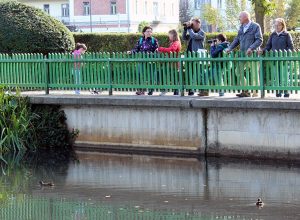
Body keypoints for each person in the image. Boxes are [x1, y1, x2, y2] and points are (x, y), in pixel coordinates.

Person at [226, 11, 263, 98]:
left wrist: (251, 48)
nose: (239, 19)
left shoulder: (255, 26)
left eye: (240, 17)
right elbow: (237, 40)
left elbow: (259, 40)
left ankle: (255, 92)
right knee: (238, 71)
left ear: (245, 17)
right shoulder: (241, 28)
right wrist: (230, 48)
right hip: (242, 55)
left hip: (252, 54)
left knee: (254, 74)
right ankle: (246, 90)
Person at [259, 18, 294, 98]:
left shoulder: (287, 34)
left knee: (284, 76)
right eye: (275, 25)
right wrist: (263, 51)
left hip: (284, 60)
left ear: (282, 25)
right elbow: (268, 46)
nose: (277, 27)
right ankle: (278, 91)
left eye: (278, 25)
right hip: (274, 60)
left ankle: (286, 92)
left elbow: (291, 47)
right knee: (276, 76)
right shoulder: (273, 35)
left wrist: (285, 54)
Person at [128, 26, 159, 95]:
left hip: (151, 61)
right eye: (147, 31)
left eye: (150, 31)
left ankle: (151, 90)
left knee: (151, 76)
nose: (149, 33)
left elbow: (157, 50)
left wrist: (153, 54)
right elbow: (136, 49)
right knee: (140, 75)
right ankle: (141, 90)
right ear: (144, 32)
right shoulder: (140, 40)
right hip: (141, 61)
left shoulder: (154, 40)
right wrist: (131, 52)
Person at [182, 17, 206, 96]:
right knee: (189, 72)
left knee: (199, 73)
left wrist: (189, 28)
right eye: (191, 24)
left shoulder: (202, 33)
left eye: (193, 24)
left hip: (198, 56)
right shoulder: (190, 31)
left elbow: (194, 36)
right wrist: (185, 29)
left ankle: (202, 90)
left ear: (198, 24)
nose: (192, 25)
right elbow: (184, 38)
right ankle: (190, 89)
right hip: (189, 55)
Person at [158, 29, 182, 96]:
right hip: (171, 63)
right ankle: (166, 89)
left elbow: (171, 50)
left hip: (174, 63)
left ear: (173, 35)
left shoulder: (176, 42)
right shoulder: (172, 43)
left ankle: (175, 90)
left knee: (173, 76)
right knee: (165, 74)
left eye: (169, 35)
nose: (169, 37)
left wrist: (160, 48)